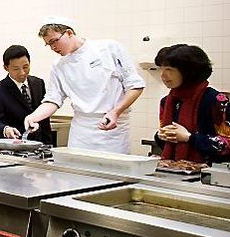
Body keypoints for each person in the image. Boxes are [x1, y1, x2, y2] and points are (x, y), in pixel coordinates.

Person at [24, 18, 145, 153]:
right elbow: (53, 99)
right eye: (49, 44)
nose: (53, 47)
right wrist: (33, 117)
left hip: (112, 130)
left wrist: (116, 111)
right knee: (77, 171)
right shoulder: (59, 65)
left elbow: (135, 86)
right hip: (81, 131)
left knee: (112, 171)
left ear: (69, 33)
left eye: (54, 41)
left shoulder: (109, 49)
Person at [153, 44, 230, 164]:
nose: (163, 75)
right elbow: (166, 141)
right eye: (161, 69)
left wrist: (190, 138)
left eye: (169, 69)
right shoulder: (167, 102)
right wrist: (160, 136)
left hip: (210, 175)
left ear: (188, 72)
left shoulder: (216, 101)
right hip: (175, 169)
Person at [0, 45, 51, 142]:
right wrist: (5, 129)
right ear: (6, 68)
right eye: (16, 69)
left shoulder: (38, 83)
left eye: (25, 67)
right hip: (16, 143)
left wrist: (49, 144)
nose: (22, 73)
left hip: (40, 143)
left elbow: (45, 119)